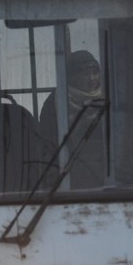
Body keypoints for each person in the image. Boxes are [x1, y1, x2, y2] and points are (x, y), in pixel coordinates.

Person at [39, 50, 106, 188]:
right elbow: (47, 144)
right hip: (67, 176)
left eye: (95, 72)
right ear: (72, 76)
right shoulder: (55, 102)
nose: (92, 78)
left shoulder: (108, 99)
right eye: (85, 73)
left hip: (103, 176)